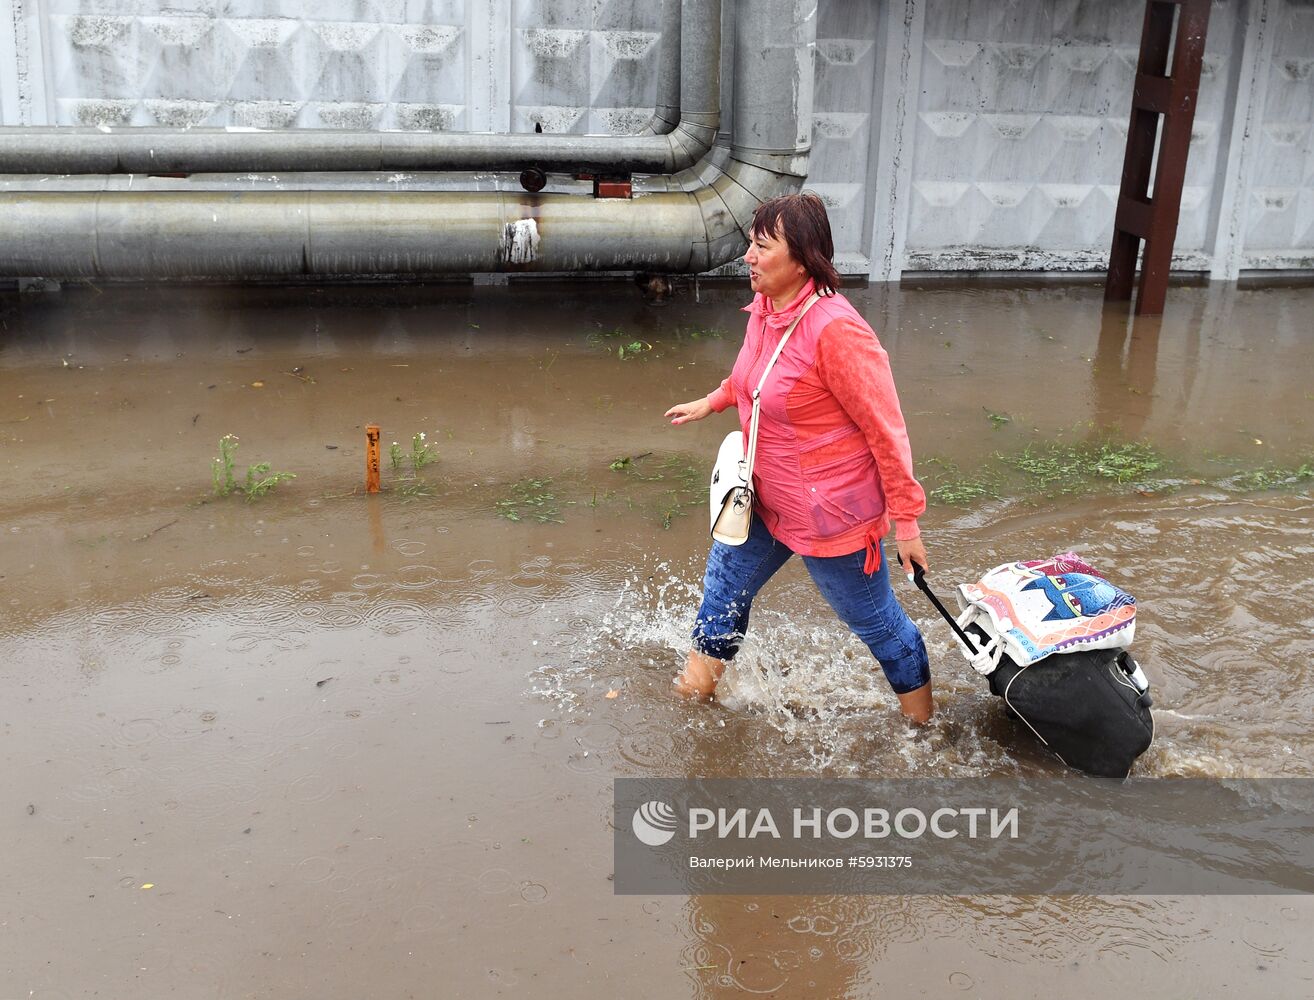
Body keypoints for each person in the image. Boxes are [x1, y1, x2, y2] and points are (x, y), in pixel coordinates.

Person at [664, 192, 934, 723]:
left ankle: (924, 730)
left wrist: (906, 522)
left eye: (762, 247)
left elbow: (887, 431)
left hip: (832, 516)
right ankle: (687, 713)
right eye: (749, 244)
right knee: (722, 595)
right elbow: (756, 378)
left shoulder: (838, 332)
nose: (748, 257)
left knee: (879, 626)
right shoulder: (765, 310)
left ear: (803, 258)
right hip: (764, 498)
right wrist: (715, 400)